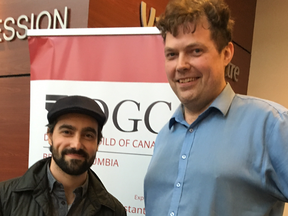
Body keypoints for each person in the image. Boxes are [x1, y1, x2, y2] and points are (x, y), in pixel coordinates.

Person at [144, 0, 288, 215]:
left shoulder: (270, 125)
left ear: (227, 53)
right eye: (172, 54)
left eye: (195, 51)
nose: (181, 65)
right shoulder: (165, 135)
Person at [0, 95, 127, 216]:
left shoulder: (114, 211)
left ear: (98, 143)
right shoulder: (4, 197)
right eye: (67, 132)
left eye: (88, 135)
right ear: (49, 136)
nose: (77, 145)